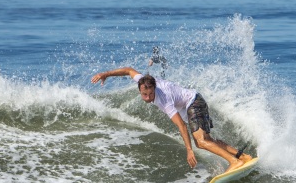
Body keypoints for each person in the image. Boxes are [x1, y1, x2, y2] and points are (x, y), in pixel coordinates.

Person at [91, 67, 252, 173]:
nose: (147, 98)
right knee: (205, 140)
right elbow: (128, 70)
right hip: (193, 101)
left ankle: (234, 162)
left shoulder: (162, 99)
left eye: (150, 94)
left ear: (154, 89)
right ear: (140, 88)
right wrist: (105, 74)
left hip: (193, 102)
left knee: (201, 142)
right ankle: (243, 157)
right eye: (144, 94)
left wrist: (189, 150)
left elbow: (181, 125)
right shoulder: (142, 80)